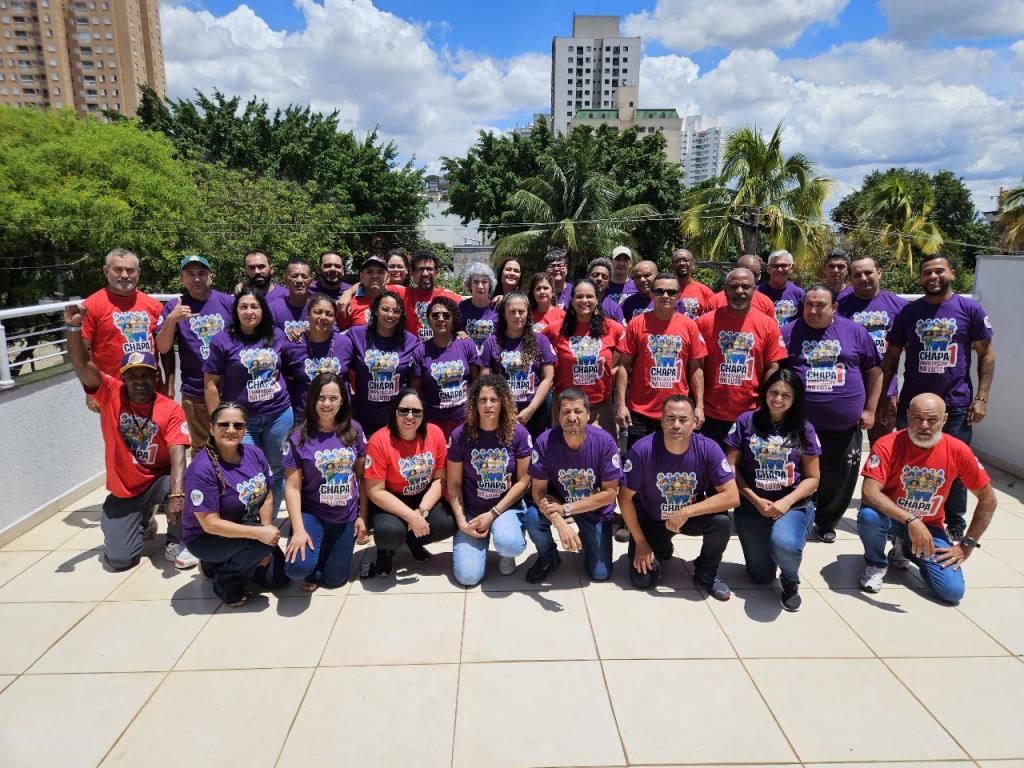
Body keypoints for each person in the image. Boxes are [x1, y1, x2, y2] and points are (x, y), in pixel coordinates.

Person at [65, 305, 194, 570]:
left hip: (159, 480)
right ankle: (141, 522)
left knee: (187, 483)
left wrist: (178, 494)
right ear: (122, 378)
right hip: (125, 489)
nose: (140, 381)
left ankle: (176, 540)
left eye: (146, 374)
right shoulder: (109, 392)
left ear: (156, 377)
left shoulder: (170, 409)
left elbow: (178, 454)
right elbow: (81, 363)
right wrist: (74, 328)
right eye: (133, 375)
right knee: (119, 560)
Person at [879, 253, 995, 544]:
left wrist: (982, 397)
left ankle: (954, 522)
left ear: (952, 273)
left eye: (939, 271)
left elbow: (986, 354)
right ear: (920, 277)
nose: (933, 276)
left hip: (955, 403)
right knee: (907, 465)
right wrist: (884, 397)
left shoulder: (970, 309)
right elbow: (891, 357)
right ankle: (903, 519)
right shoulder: (908, 312)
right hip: (913, 405)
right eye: (926, 272)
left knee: (955, 466)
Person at [856, 393, 997, 604]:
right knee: (869, 516)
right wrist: (911, 521)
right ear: (907, 415)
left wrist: (967, 544)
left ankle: (904, 548)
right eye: (917, 418)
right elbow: (869, 492)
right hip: (891, 518)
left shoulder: (958, 450)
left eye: (932, 419)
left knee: (952, 592)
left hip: (929, 526)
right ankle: (876, 563)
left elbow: (988, 499)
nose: (924, 425)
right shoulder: (887, 444)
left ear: (944, 419)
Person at [782, 284, 882, 542]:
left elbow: (874, 371)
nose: (813, 310)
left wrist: (870, 409)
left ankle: (826, 522)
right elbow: (774, 373)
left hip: (843, 427)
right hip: (798, 425)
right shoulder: (787, 333)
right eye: (808, 304)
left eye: (820, 305)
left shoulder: (855, 332)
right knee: (795, 475)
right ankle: (795, 519)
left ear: (834, 307)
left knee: (838, 478)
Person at [619, 396, 739, 599]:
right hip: (652, 519)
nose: (676, 425)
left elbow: (732, 496)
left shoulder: (708, 448)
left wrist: (685, 512)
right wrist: (640, 542)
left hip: (688, 517)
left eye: (683, 419)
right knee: (643, 579)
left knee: (721, 522)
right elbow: (624, 498)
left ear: (695, 422)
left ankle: (706, 571)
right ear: (661, 421)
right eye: (670, 418)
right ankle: (662, 546)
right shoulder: (642, 449)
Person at [725, 369, 820, 611]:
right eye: (773, 392)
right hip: (752, 504)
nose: (778, 399)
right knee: (761, 576)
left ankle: (790, 579)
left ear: (795, 399)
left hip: (792, 504)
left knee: (785, 546)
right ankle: (773, 550)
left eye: (786, 395)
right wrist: (755, 499)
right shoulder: (746, 421)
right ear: (765, 393)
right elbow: (731, 468)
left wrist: (786, 502)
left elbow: (813, 479)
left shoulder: (804, 428)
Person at [181, 402, 288, 606]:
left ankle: (215, 565)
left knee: (279, 578)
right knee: (259, 546)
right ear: (211, 428)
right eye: (224, 424)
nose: (231, 430)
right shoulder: (202, 469)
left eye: (238, 425)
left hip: (245, 528)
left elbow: (267, 494)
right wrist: (259, 536)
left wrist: (265, 531)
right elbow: (210, 524)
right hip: (206, 537)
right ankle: (226, 583)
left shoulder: (254, 453)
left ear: (245, 429)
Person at [203, 288, 293, 515]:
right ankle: (247, 522)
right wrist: (218, 421)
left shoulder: (277, 335)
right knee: (246, 471)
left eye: (255, 306)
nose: (249, 312)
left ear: (263, 310)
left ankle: (268, 522)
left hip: (278, 415)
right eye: (243, 307)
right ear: (236, 311)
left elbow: (291, 368)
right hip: (242, 420)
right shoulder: (222, 340)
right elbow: (211, 384)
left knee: (277, 470)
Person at [524, 389, 622, 583]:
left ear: (588, 414)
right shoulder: (544, 442)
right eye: (566, 412)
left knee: (600, 573)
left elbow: (610, 494)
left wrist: (566, 509)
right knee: (532, 518)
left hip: (594, 508)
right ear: (558, 416)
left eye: (578, 411)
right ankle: (549, 557)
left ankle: (586, 536)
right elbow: (538, 491)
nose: (572, 417)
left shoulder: (605, 442)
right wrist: (559, 521)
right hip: (558, 500)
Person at [282, 372, 367, 591]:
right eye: (321, 398)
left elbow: (362, 477)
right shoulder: (298, 437)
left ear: (342, 400)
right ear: (312, 400)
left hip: (345, 515)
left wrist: (363, 516)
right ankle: (313, 562)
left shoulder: (354, 430)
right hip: (313, 513)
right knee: (297, 569)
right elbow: (292, 487)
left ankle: (324, 555)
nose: (327, 404)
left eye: (333, 398)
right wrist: (298, 530)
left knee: (334, 580)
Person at [448, 376, 534, 585]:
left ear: (503, 402)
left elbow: (523, 482)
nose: (488, 405)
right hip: (472, 510)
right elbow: (454, 483)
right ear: (474, 404)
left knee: (510, 544)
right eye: (483, 400)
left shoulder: (518, 433)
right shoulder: (460, 435)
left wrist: (493, 513)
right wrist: (461, 521)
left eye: (494, 400)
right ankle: (479, 543)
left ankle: (505, 550)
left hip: (506, 507)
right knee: (467, 577)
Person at [363, 389, 457, 576]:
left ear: (423, 414)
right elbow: (375, 491)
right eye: (403, 410)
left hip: (421, 497)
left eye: (416, 411)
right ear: (395, 412)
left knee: (447, 523)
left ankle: (413, 540)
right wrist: (412, 517)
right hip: (389, 500)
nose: (410, 416)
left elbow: (440, 478)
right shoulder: (378, 441)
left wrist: (421, 512)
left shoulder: (435, 433)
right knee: (390, 532)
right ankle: (385, 552)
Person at [695, 268, 787, 450]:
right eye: (733, 287)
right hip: (711, 414)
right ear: (724, 290)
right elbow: (696, 364)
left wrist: (763, 405)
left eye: (745, 286)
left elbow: (772, 366)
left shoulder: (768, 325)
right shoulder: (705, 322)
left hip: (751, 414)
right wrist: (698, 405)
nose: (739, 291)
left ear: (754, 289)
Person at [616, 272, 707, 450]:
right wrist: (621, 405)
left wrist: (699, 407)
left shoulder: (690, 326)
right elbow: (623, 367)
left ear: (678, 296)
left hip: (678, 411)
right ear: (651, 295)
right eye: (659, 291)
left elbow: (696, 369)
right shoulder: (637, 324)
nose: (665, 296)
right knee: (639, 459)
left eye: (671, 292)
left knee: (677, 460)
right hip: (641, 410)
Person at [155, 254, 233, 458]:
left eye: (201, 273)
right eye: (190, 274)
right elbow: (163, 347)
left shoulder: (228, 302)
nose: (196, 278)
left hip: (232, 388)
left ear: (211, 277)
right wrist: (171, 321)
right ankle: (206, 479)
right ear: (182, 279)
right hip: (196, 391)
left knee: (234, 444)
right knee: (202, 448)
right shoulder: (174, 307)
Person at [81, 247, 168, 413]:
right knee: (116, 431)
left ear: (138, 272)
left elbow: (165, 349)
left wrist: (168, 383)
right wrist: (90, 391)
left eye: (130, 270)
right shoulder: (91, 306)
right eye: (118, 270)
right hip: (111, 391)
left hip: (151, 389)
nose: (124, 275)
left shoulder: (154, 306)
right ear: (106, 271)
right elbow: (82, 354)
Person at [838, 255, 908, 446]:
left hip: (886, 391)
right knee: (843, 448)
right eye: (857, 275)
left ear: (879, 273)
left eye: (868, 272)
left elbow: (911, 350)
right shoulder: (839, 307)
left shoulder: (900, 306)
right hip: (847, 390)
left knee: (882, 446)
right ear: (850, 279)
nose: (863, 278)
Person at [544, 279, 625, 435]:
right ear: (572, 300)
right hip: (565, 405)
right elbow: (535, 348)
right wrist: (548, 376)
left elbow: (630, 354)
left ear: (597, 300)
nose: (584, 300)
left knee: (603, 448)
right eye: (579, 296)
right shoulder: (555, 329)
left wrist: (612, 372)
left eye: (589, 296)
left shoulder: (613, 328)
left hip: (600, 404)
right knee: (564, 448)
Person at [341, 289, 424, 437]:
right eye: (385, 309)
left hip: (398, 420)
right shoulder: (356, 335)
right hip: (364, 418)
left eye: (396, 311)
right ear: (375, 310)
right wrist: (303, 332)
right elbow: (330, 339)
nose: (390, 315)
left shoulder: (411, 342)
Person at [481, 290, 556, 440]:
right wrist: (504, 410)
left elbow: (548, 379)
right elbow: (485, 381)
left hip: (534, 412)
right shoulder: (491, 343)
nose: (517, 316)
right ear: (504, 314)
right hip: (501, 412)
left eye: (521, 311)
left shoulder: (541, 341)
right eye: (512, 311)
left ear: (528, 313)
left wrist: (530, 409)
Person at [421, 296, 482, 439]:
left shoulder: (467, 345)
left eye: (446, 315)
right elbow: (416, 391)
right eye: (435, 315)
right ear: (428, 319)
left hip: (465, 420)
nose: (441, 319)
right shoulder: (420, 350)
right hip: (433, 422)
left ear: (453, 319)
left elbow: (477, 383)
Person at [281, 294, 349, 418]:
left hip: (339, 417)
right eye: (318, 312)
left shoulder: (346, 343)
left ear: (334, 317)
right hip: (305, 418)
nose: (323, 317)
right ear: (307, 313)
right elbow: (284, 377)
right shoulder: (292, 345)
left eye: (329, 314)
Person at [402, 250, 462, 342]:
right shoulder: (405, 294)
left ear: (437, 272)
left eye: (429, 269)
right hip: (414, 350)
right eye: (420, 269)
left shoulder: (452, 298)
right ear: (413, 273)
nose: (425, 273)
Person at [703, 255, 776, 319]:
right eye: (744, 272)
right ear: (734, 271)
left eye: (754, 275)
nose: (749, 277)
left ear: (760, 275)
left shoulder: (765, 303)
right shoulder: (714, 303)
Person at [337, 253, 388, 331]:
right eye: (369, 272)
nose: (375, 276)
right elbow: (343, 335)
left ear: (388, 278)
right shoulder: (347, 305)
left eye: (380, 272)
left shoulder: (397, 300)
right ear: (361, 276)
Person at [458, 262, 500, 353]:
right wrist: (459, 334)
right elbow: (451, 333)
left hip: (492, 358)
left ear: (490, 285)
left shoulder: (498, 307)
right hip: (468, 358)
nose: (480, 286)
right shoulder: (460, 308)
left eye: (484, 282)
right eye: (476, 282)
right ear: (470, 285)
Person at [758, 249, 805, 326]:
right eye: (775, 266)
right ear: (768, 268)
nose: (779, 269)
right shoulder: (757, 292)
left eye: (783, 265)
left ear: (792, 267)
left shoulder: (799, 294)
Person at [270, 258, 314, 337]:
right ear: (285, 280)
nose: (299, 280)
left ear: (311, 282)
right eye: (294, 276)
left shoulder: (319, 309)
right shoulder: (273, 310)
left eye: (304, 276)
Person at [670, 249, 715, 321]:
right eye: (678, 261)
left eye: (686, 260)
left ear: (693, 265)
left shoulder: (705, 292)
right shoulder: (665, 292)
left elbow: (714, 317)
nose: (682, 263)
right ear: (672, 267)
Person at [585, 258, 626, 324]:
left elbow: (622, 330)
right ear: (587, 278)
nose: (599, 279)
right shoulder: (577, 303)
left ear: (608, 283)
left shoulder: (614, 308)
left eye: (604, 277)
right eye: (595, 275)